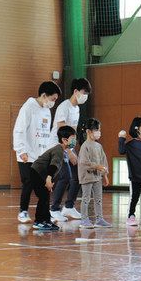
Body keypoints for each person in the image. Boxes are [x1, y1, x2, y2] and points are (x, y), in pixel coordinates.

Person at [13, 81, 61, 224]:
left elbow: (46, 133)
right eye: (52, 99)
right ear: (44, 95)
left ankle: (44, 214)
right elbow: (19, 130)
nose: (53, 103)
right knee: (28, 182)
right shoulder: (28, 108)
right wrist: (21, 150)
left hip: (41, 155)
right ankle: (23, 211)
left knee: (45, 185)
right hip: (26, 154)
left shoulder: (46, 110)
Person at [48, 78, 92, 223]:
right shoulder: (64, 107)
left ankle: (69, 206)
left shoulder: (76, 109)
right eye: (84, 93)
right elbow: (62, 131)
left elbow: (72, 132)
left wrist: (73, 149)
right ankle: (53, 209)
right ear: (75, 91)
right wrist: (69, 152)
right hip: (57, 146)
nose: (85, 96)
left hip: (68, 147)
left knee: (78, 174)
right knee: (65, 176)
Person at [29, 126, 77, 231]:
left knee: (46, 197)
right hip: (36, 173)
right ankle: (38, 222)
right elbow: (53, 166)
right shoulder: (58, 150)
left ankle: (46, 221)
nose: (75, 140)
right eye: (72, 138)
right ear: (64, 140)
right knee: (43, 198)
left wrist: (50, 180)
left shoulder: (63, 152)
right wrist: (49, 179)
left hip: (42, 175)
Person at [77, 118, 110, 229]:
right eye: (96, 130)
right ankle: (84, 219)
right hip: (87, 177)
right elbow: (84, 162)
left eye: (99, 130)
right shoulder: (84, 146)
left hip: (97, 177)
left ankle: (99, 219)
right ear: (88, 132)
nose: (98, 132)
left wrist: (105, 175)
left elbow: (103, 161)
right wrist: (98, 166)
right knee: (86, 198)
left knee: (98, 198)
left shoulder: (98, 146)